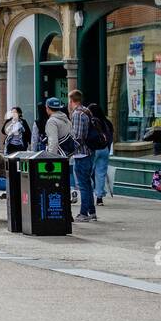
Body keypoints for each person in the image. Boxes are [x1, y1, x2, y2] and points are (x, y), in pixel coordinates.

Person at [68, 90, 97, 222]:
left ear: (72, 100)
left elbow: (78, 137)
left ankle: (84, 213)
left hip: (82, 154)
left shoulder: (78, 114)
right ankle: (91, 212)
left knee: (83, 185)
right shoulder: (87, 111)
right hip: (89, 152)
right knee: (87, 184)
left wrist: (69, 151)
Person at [88, 103, 114, 207]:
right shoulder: (106, 122)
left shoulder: (91, 121)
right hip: (104, 149)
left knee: (88, 173)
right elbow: (111, 137)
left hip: (93, 150)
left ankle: (88, 195)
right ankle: (99, 198)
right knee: (101, 173)